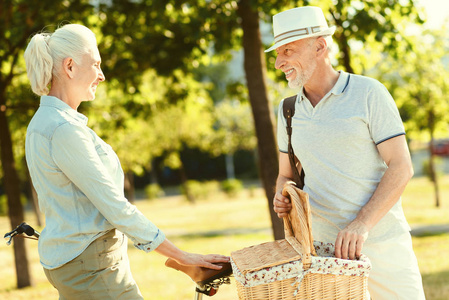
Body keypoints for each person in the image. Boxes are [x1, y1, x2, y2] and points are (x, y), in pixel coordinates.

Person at [24, 24, 229, 299]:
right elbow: (115, 207)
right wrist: (183, 257)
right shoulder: (63, 130)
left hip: (79, 265)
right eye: (96, 64)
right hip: (93, 269)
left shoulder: (44, 123)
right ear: (70, 66)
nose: (102, 75)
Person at [268, 6, 425, 300]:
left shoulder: (369, 93)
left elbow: (401, 166)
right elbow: (285, 175)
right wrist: (284, 194)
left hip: (383, 245)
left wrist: (361, 224)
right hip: (326, 256)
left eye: (288, 50)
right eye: (277, 53)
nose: (279, 62)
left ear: (319, 46)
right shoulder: (287, 110)